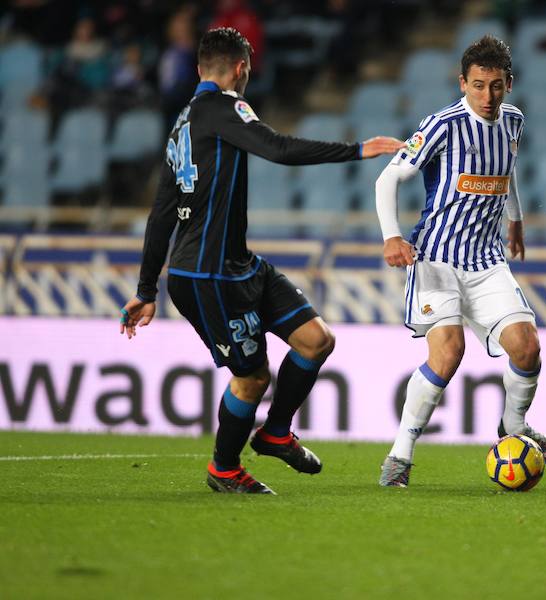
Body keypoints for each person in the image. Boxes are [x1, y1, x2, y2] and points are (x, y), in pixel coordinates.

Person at [118, 27, 404, 494]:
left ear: (199, 69)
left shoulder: (182, 125)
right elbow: (277, 148)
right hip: (207, 274)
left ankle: (275, 433)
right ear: (241, 69)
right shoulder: (227, 107)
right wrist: (356, 150)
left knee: (316, 340)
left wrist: (147, 288)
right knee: (251, 377)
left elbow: (161, 213)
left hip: (237, 264)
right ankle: (224, 469)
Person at [374, 35, 546, 488]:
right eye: (478, 85)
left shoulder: (513, 121)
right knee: (448, 353)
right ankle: (400, 456)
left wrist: (515, 219)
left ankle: (514, 426)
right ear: (462, 83)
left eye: (496, 85)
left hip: (486, 260)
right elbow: (388, 179)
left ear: (509, 84)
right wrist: (391, 236)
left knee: (527, 347)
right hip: (436, 258)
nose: (487, 96)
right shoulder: (442, 125)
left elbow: (506, 169)